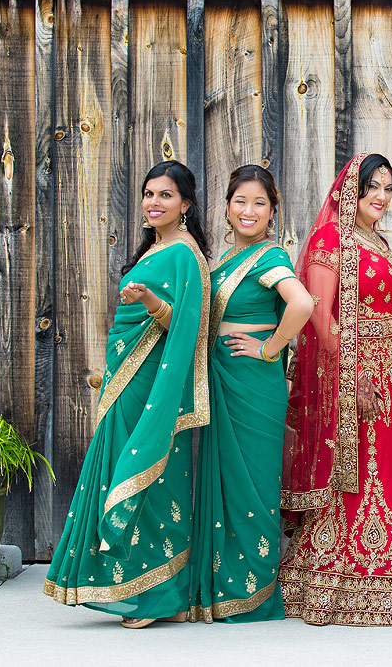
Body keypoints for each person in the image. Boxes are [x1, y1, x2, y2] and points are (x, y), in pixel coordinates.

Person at [44, 160, 211, 628]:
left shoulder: (181, 253)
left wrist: (149, 301)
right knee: (150, 474)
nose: (154, 202)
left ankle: (155, 597)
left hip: (149, 383)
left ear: (186, 204)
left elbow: (187, 324)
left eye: (165, 195)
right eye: (148, 193)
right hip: (127, 379)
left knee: (145, 475)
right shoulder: (157, 249)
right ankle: (168, 596)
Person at [279, 153, 392, 626]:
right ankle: (340, 576)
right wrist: (354, 375)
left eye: (388, 188)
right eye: (372, 187)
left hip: (388, 367)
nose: (381, 197)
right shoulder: (332, 239)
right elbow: (322, 318)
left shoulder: (378, 241)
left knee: (389, 460)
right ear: (352, 190)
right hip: (353, 370)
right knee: (357, 463)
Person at [188, 165, 313, 623]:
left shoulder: (269, 257)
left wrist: (269, 348)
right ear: (226, 207)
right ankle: (219, 591)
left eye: (260, 203)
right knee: (221, 481)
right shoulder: (220, 261)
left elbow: (302, 303)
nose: (249, 210)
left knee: (253, 484)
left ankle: (254, 595)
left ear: (272, 212)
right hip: (222, 375)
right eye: (240, 200)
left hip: (253, 381)